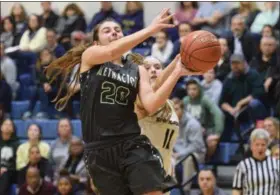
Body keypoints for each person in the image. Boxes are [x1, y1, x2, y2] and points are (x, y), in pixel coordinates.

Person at [45, 9, 202, 195]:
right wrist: (151, 29)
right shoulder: (91, 57)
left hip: (131, 142)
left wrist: (176, 72)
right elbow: (111, 50)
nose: (114, 32)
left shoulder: (137, 69)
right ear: (96, 42)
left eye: (117, 29)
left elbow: (151, 104)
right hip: (99, 149)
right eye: (107, 30)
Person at [136, 56, 180, 177]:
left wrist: (170, 159)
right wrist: (177, 68)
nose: (153, 70)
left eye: (157, 67)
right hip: (141, 166)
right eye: (147, 68)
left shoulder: (170, 104)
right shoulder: (137, 99)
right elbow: (154, 91)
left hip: (164, 168)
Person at [232, 129, 279, 195]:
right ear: (251, 146)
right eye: (257, 144)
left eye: (263, 145)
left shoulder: (276, 164)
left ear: (267, 146)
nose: (260, 148)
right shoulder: (243, 165)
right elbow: (236, 189)